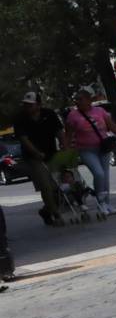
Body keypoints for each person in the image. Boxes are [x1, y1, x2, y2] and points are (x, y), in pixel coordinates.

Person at [64, 87, 116, 215]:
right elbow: (68, 134)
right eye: (76, 100)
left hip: (103, 147)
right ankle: (101, 202)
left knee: (105, 176)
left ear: (89, 100)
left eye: (80, 99)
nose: (77, 102)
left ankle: (107, 203)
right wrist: (67, 149)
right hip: (86, 149)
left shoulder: (100, 111)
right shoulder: (73, 115)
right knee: (98, 173)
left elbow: (112, 126)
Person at [13, 93, 66, 226]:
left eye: (30, 105)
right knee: (46, 187)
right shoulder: (20, 119)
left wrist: (63, 144)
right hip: (33, 157)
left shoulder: (49, 114)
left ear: (38, 105)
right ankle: (56, 214)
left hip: (51, 154)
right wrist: (36, 152)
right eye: (25, 104)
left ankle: (46, 211)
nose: (27, 107)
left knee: (57, 187)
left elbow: (59, 131)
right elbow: (24, 139)